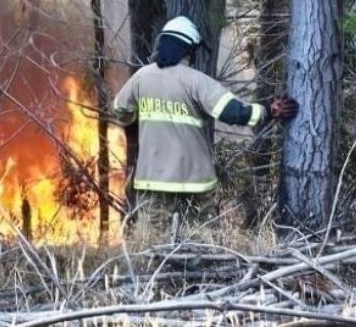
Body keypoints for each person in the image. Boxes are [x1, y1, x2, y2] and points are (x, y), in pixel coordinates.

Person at [113, 16, 298, 235]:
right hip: (195, 181)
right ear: (188, 49)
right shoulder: (195, 81)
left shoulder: (141, 78)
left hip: (153, 181)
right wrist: (269, 111)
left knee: (153, 245)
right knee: (200, 243)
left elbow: (120, 110)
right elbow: (233, 112)